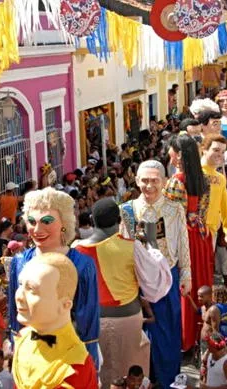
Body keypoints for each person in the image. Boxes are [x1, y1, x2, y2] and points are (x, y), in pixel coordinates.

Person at [75, 198, 172, 388]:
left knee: (99, 375)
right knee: (131, 377)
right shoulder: (130, 246)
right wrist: (152, 243)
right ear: (119, 220)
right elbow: (155, 283)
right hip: (128, 320)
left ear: (93, 220)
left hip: (91, 324)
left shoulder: (76, 250)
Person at [8, 188, 101, 368]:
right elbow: (15, 315)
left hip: (69, 355)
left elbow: (88, 318)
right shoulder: (19, 262)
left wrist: (89, 362)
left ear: (64, 223)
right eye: (31, 222)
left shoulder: (82, 265)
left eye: (47, 221)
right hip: (30, 353)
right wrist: (16, 349)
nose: (37, 229)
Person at [119, 160, 191, 388]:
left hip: (168, 276)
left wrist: (186, 273)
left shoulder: (174, 208)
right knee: (139, 331)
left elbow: (182, 241)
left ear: (163, 181)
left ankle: (168, 378)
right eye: (144, 181)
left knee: (168, 330)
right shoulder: (128, 211)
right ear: (137, 181)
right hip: (137, 279)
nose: (149, 186)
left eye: (154, 181)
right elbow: (123, 246)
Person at [12, 253, 97, 388]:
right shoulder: (23, 337)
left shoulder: (75, 365)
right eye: (21, 284)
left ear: (65, 305)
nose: (19, 296)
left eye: (32, 289)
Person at [163, 134, 214, 352]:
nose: (169, 154)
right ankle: (201, 331)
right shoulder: (203, 179)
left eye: (172, 150)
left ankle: (185, 337)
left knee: (185, 284)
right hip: (201, 235)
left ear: (179, 155)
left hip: (184, 237)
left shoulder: (176, 182)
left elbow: (170, 215)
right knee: (201, 281)